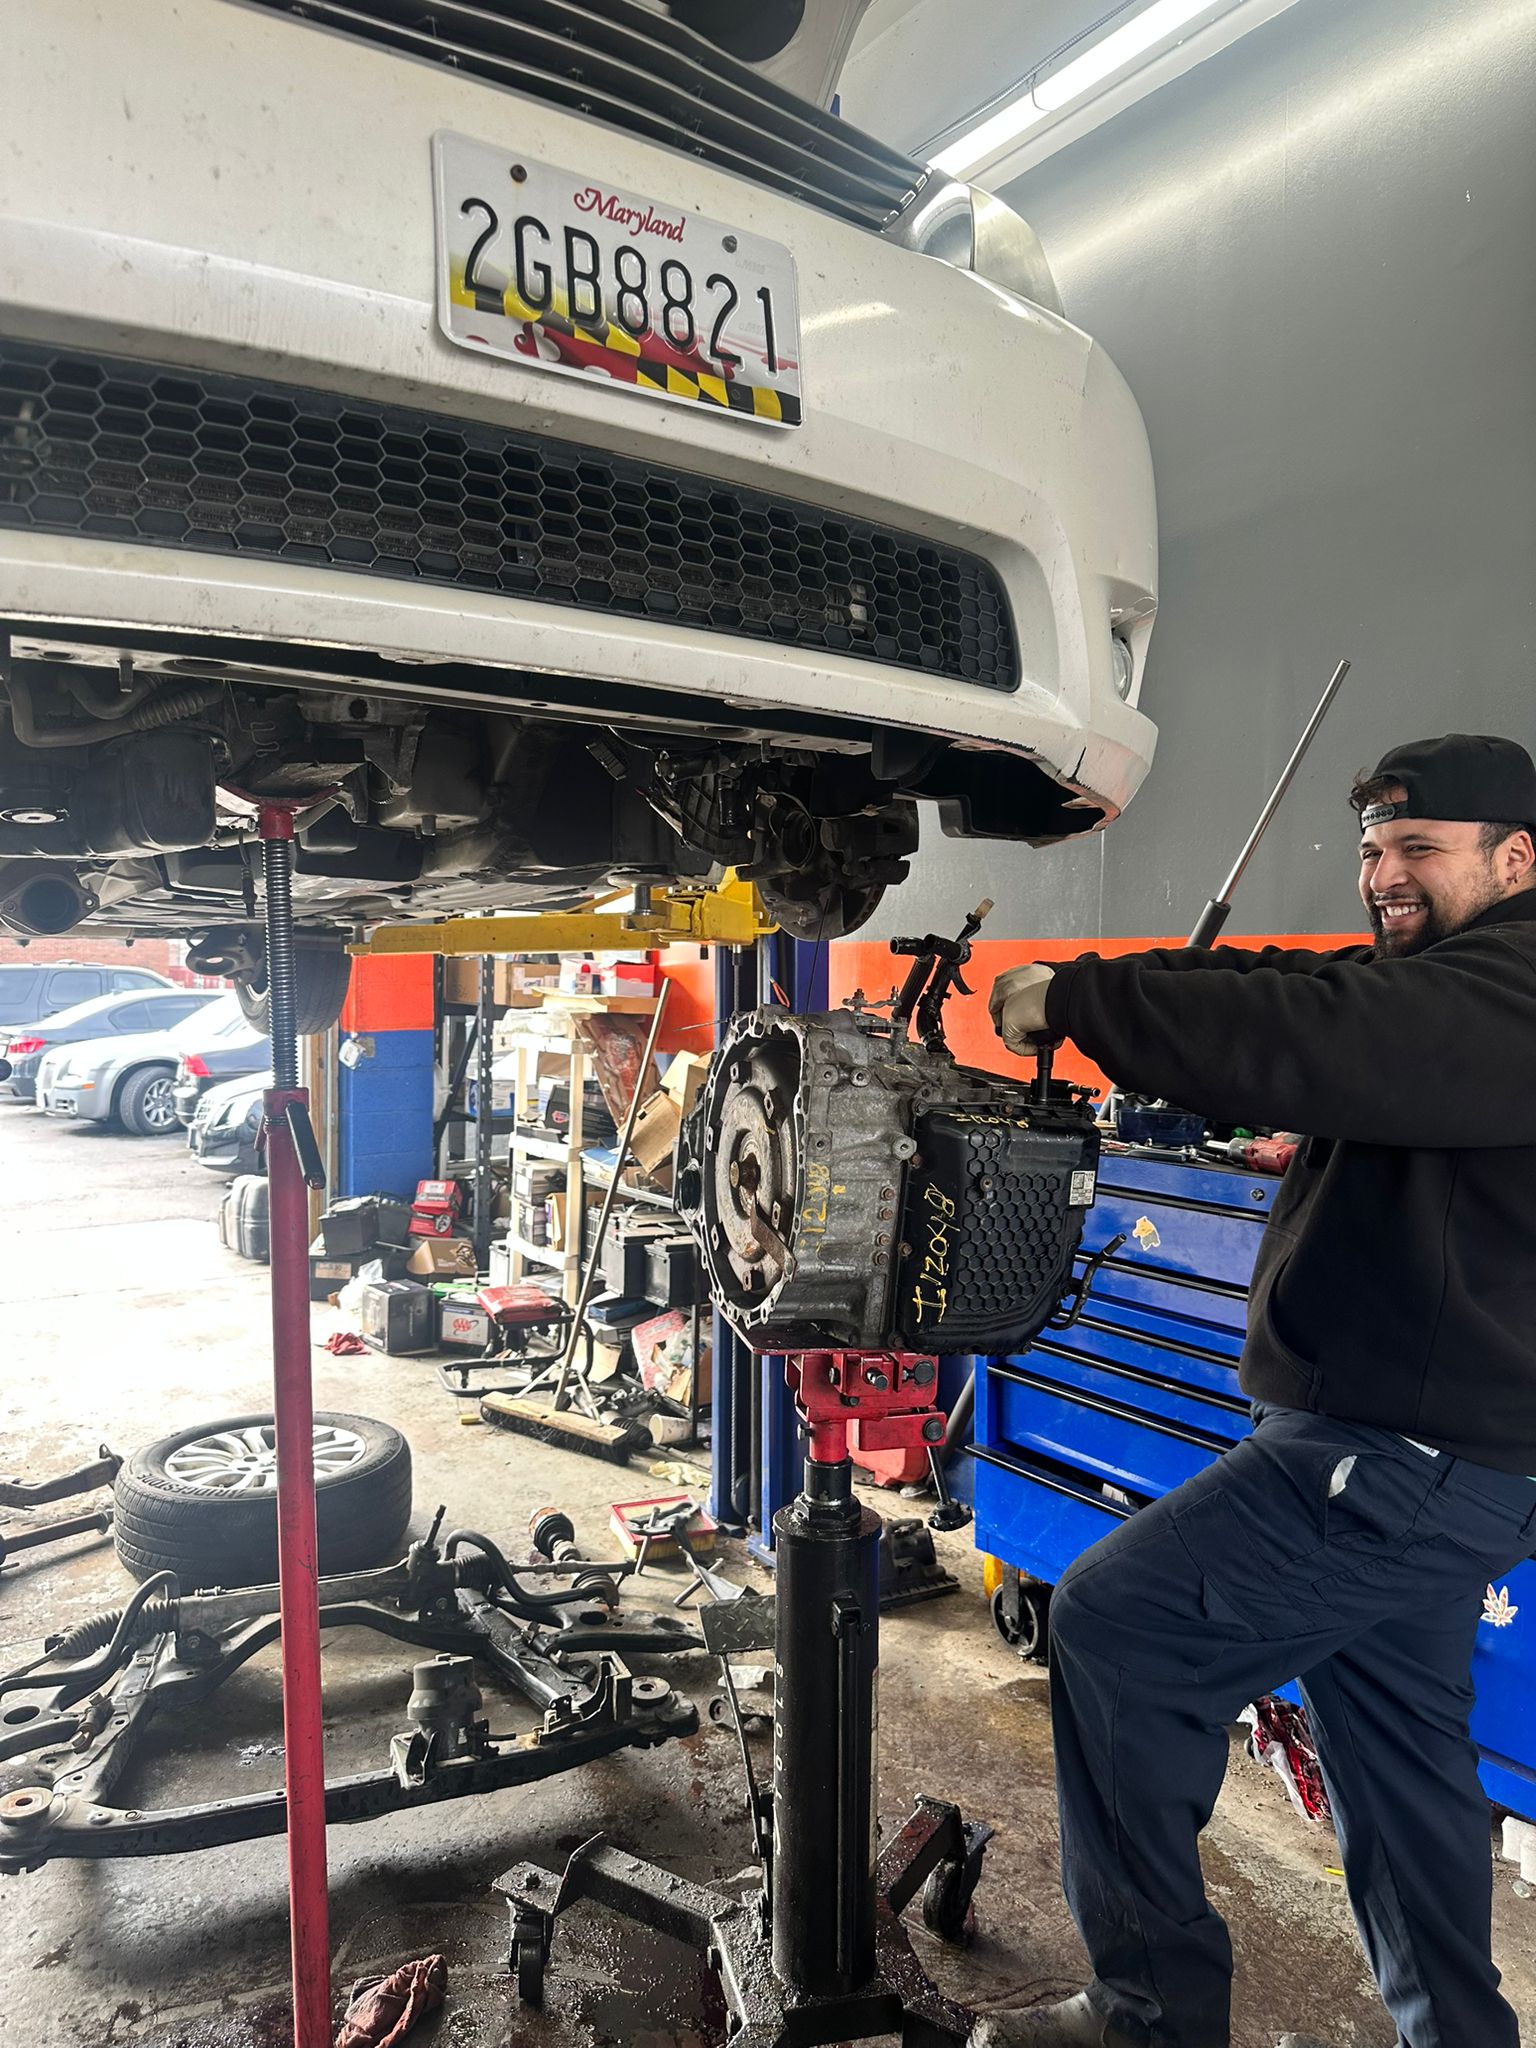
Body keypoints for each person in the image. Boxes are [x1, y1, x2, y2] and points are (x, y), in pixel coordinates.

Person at [974, 734, 1536, 2048]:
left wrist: (1083, 1006)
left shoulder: (1513, 991)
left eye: (1419, 849)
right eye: (1372, 851)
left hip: (1395, 1462)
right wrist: (1100, 987)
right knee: (1399, 1771)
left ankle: (1151, 2018)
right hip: (1431, 1457)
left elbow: (1317, 1028)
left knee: (1115, 1625)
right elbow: (1294, 983)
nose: (1383, 876)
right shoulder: (1450, 978)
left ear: (1517, 858)